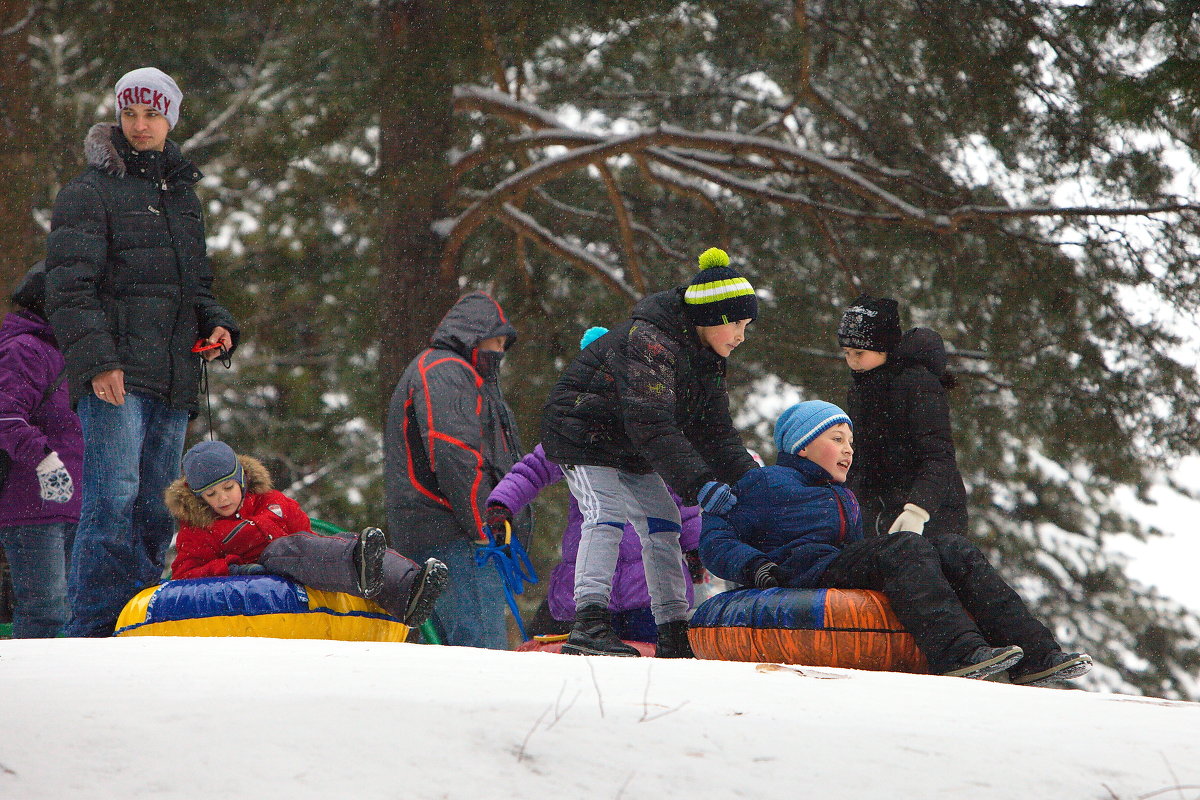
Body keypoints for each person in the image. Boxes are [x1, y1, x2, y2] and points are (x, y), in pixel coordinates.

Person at [699, 400, 1093, 685]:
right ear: (802, 445)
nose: (848, 449)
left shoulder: (843, 495)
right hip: (801, 572)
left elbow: (860, 552)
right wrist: (756, 567)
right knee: (904, 546)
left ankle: (1036, 654)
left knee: (952, 547)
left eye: (851, 441)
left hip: (836, 566)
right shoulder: (766, 482)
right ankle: (957, 653)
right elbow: (717, 537)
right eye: (837, 438)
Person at [541, 247, 760, 658]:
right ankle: (589, 621)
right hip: (582, 431)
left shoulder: (708, 357)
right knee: (605, 513)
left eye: (746, 326)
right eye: (737, 324)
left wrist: (754, 483)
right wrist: (700, 483)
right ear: (712, 317)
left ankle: (674, 629)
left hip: (628, 443)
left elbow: (716, 432)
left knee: (664, 522)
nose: (741, 336)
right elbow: (651, 423)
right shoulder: (651, 342)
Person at [488, 327, 706, 645]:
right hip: (589, 584)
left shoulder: (648, 428)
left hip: (644, 590)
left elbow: (679, 500)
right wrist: (502, 503)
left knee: (651, 649)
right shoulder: (574, 434)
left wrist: (694, 546)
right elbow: (532, 470)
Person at [167, 440, 448, 628]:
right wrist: (233, 568)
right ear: (198, 497)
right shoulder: (199, 529)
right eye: (211, 494)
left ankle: (407, 589)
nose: (222, 499)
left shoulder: (272, 502)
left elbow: (305, 535)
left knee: (343, 540)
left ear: (242, 479)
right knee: (283, 550)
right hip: (269, 566)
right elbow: (184, 573)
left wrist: (325, 549)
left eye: (228, 488)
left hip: (299, 555)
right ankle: (356, 565)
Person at [384, 291, 527, 649]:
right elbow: (456, 455)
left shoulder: (446, 370)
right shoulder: (446, 370)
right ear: (475, 335)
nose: (500, 351)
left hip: (440, 534)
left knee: (448, 655)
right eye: (496, 341)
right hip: (455, 538)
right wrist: (483, 527)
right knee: (481, 655)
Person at [836, 296, 967, 538]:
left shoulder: (918, 385)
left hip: (931, 515)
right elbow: (861, 455)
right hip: (880, 513)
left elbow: (938, 455)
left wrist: (918, 510)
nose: (852, 362)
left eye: (859, 352)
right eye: (847, 353)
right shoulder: (861, 389)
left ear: (883, 347)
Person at [0, 262, 83, 637]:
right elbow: (6, 416)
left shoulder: (70, 354)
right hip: (29, 504)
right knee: (46, 611)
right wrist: (45, 460)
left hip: (72, 504)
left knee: (70, 611)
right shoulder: (24, 349)